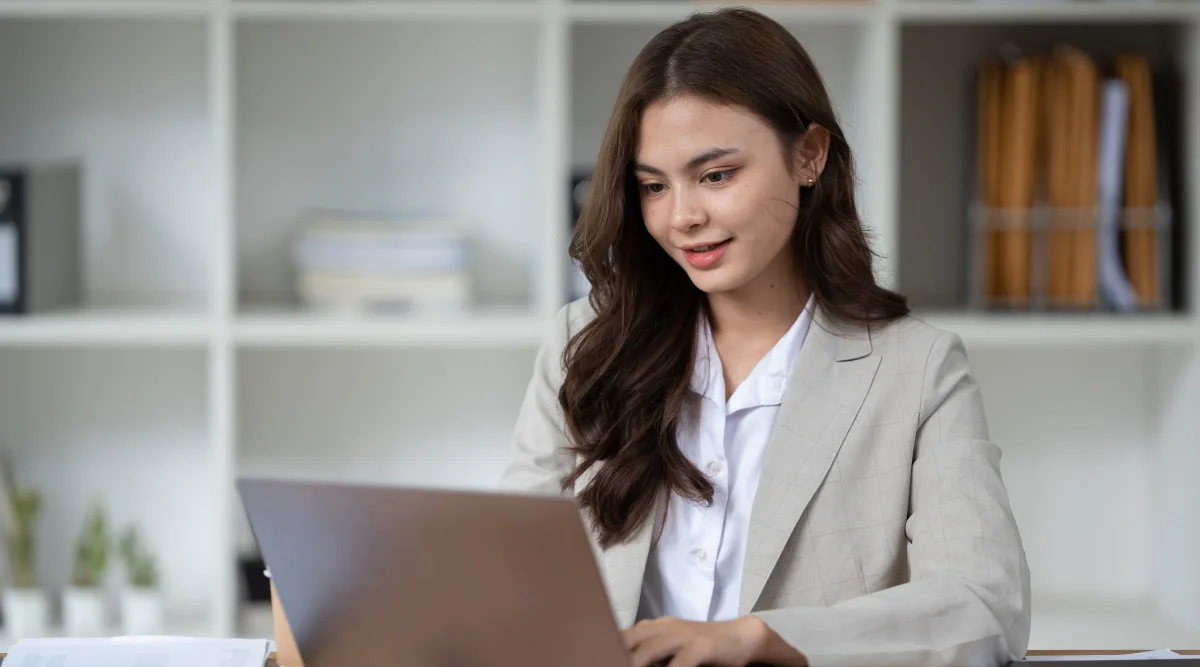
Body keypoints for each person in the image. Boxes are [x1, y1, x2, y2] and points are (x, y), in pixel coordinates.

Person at [501, 7, 1031, 667]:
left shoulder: (916, 367)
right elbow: (507, 569)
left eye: (716, 175)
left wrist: (758, 636)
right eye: (653, 186)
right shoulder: (585, 343)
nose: (683, 216)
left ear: (809, 155)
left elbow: (984, 605)